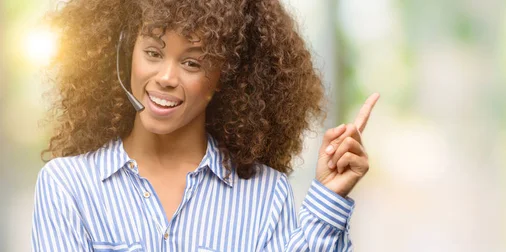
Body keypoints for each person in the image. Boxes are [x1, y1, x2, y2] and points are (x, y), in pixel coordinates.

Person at [32, 0, 379, 251]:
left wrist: (328, 199)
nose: (166, 77)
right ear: (126, 54)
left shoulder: (265, 194)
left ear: (223, 77)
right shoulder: (67, 186)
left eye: (192, 62)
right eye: (153, 53)